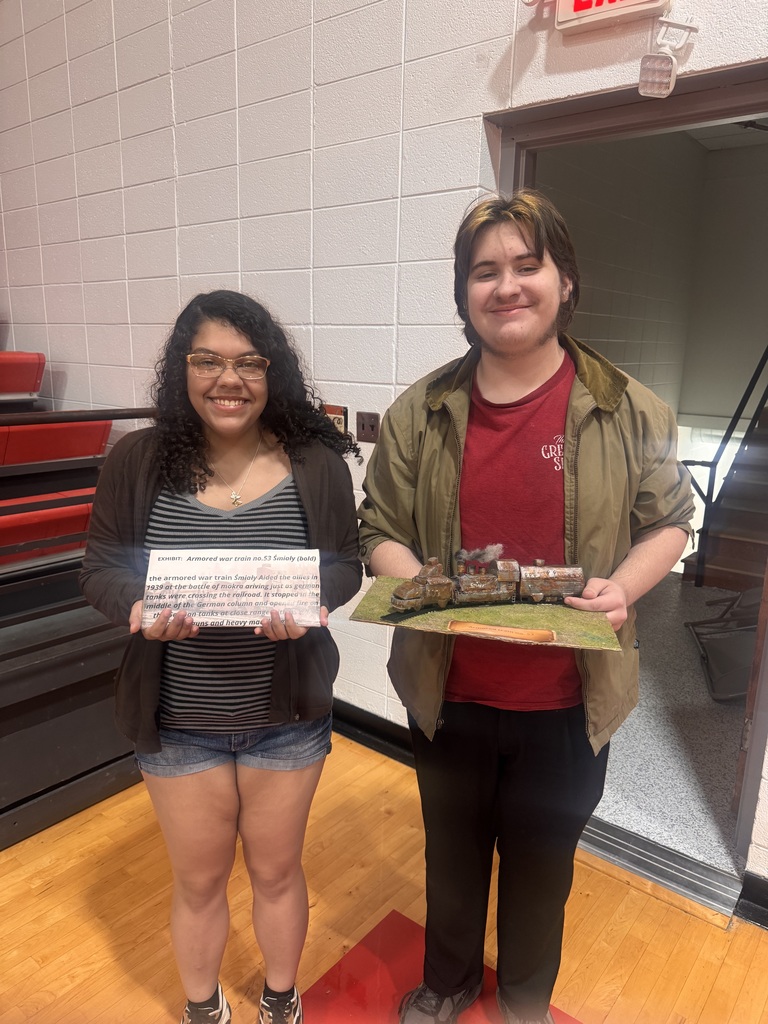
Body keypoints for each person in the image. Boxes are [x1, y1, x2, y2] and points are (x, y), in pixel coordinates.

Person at [357, 191, 694, 1024]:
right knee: (453, 855)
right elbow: (378, 529)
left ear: (565, 281)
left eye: (526, 264)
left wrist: (625, 588)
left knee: (544, 863)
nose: (506, 286)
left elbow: (671, 522)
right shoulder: (418, 414)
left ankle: (527, 1001)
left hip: (569, 700)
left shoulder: (631, 409)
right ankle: (450, 982)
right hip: (450, 690)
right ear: (464, 292)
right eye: (484, 272)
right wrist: (422, 585)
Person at [80, 290, 362, 1024]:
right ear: (182, 370)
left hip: (287, 715)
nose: (227, 379)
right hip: (177, 719)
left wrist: (305, 609)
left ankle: (279, 998)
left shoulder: (315, 462)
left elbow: (343, 565)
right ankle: (203, 1009)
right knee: (199, 881)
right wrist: (136, 609)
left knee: (275, 871)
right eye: (207, 360)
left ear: (273, 374)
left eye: (248, 363)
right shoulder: (137, 460)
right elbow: (102, 566)